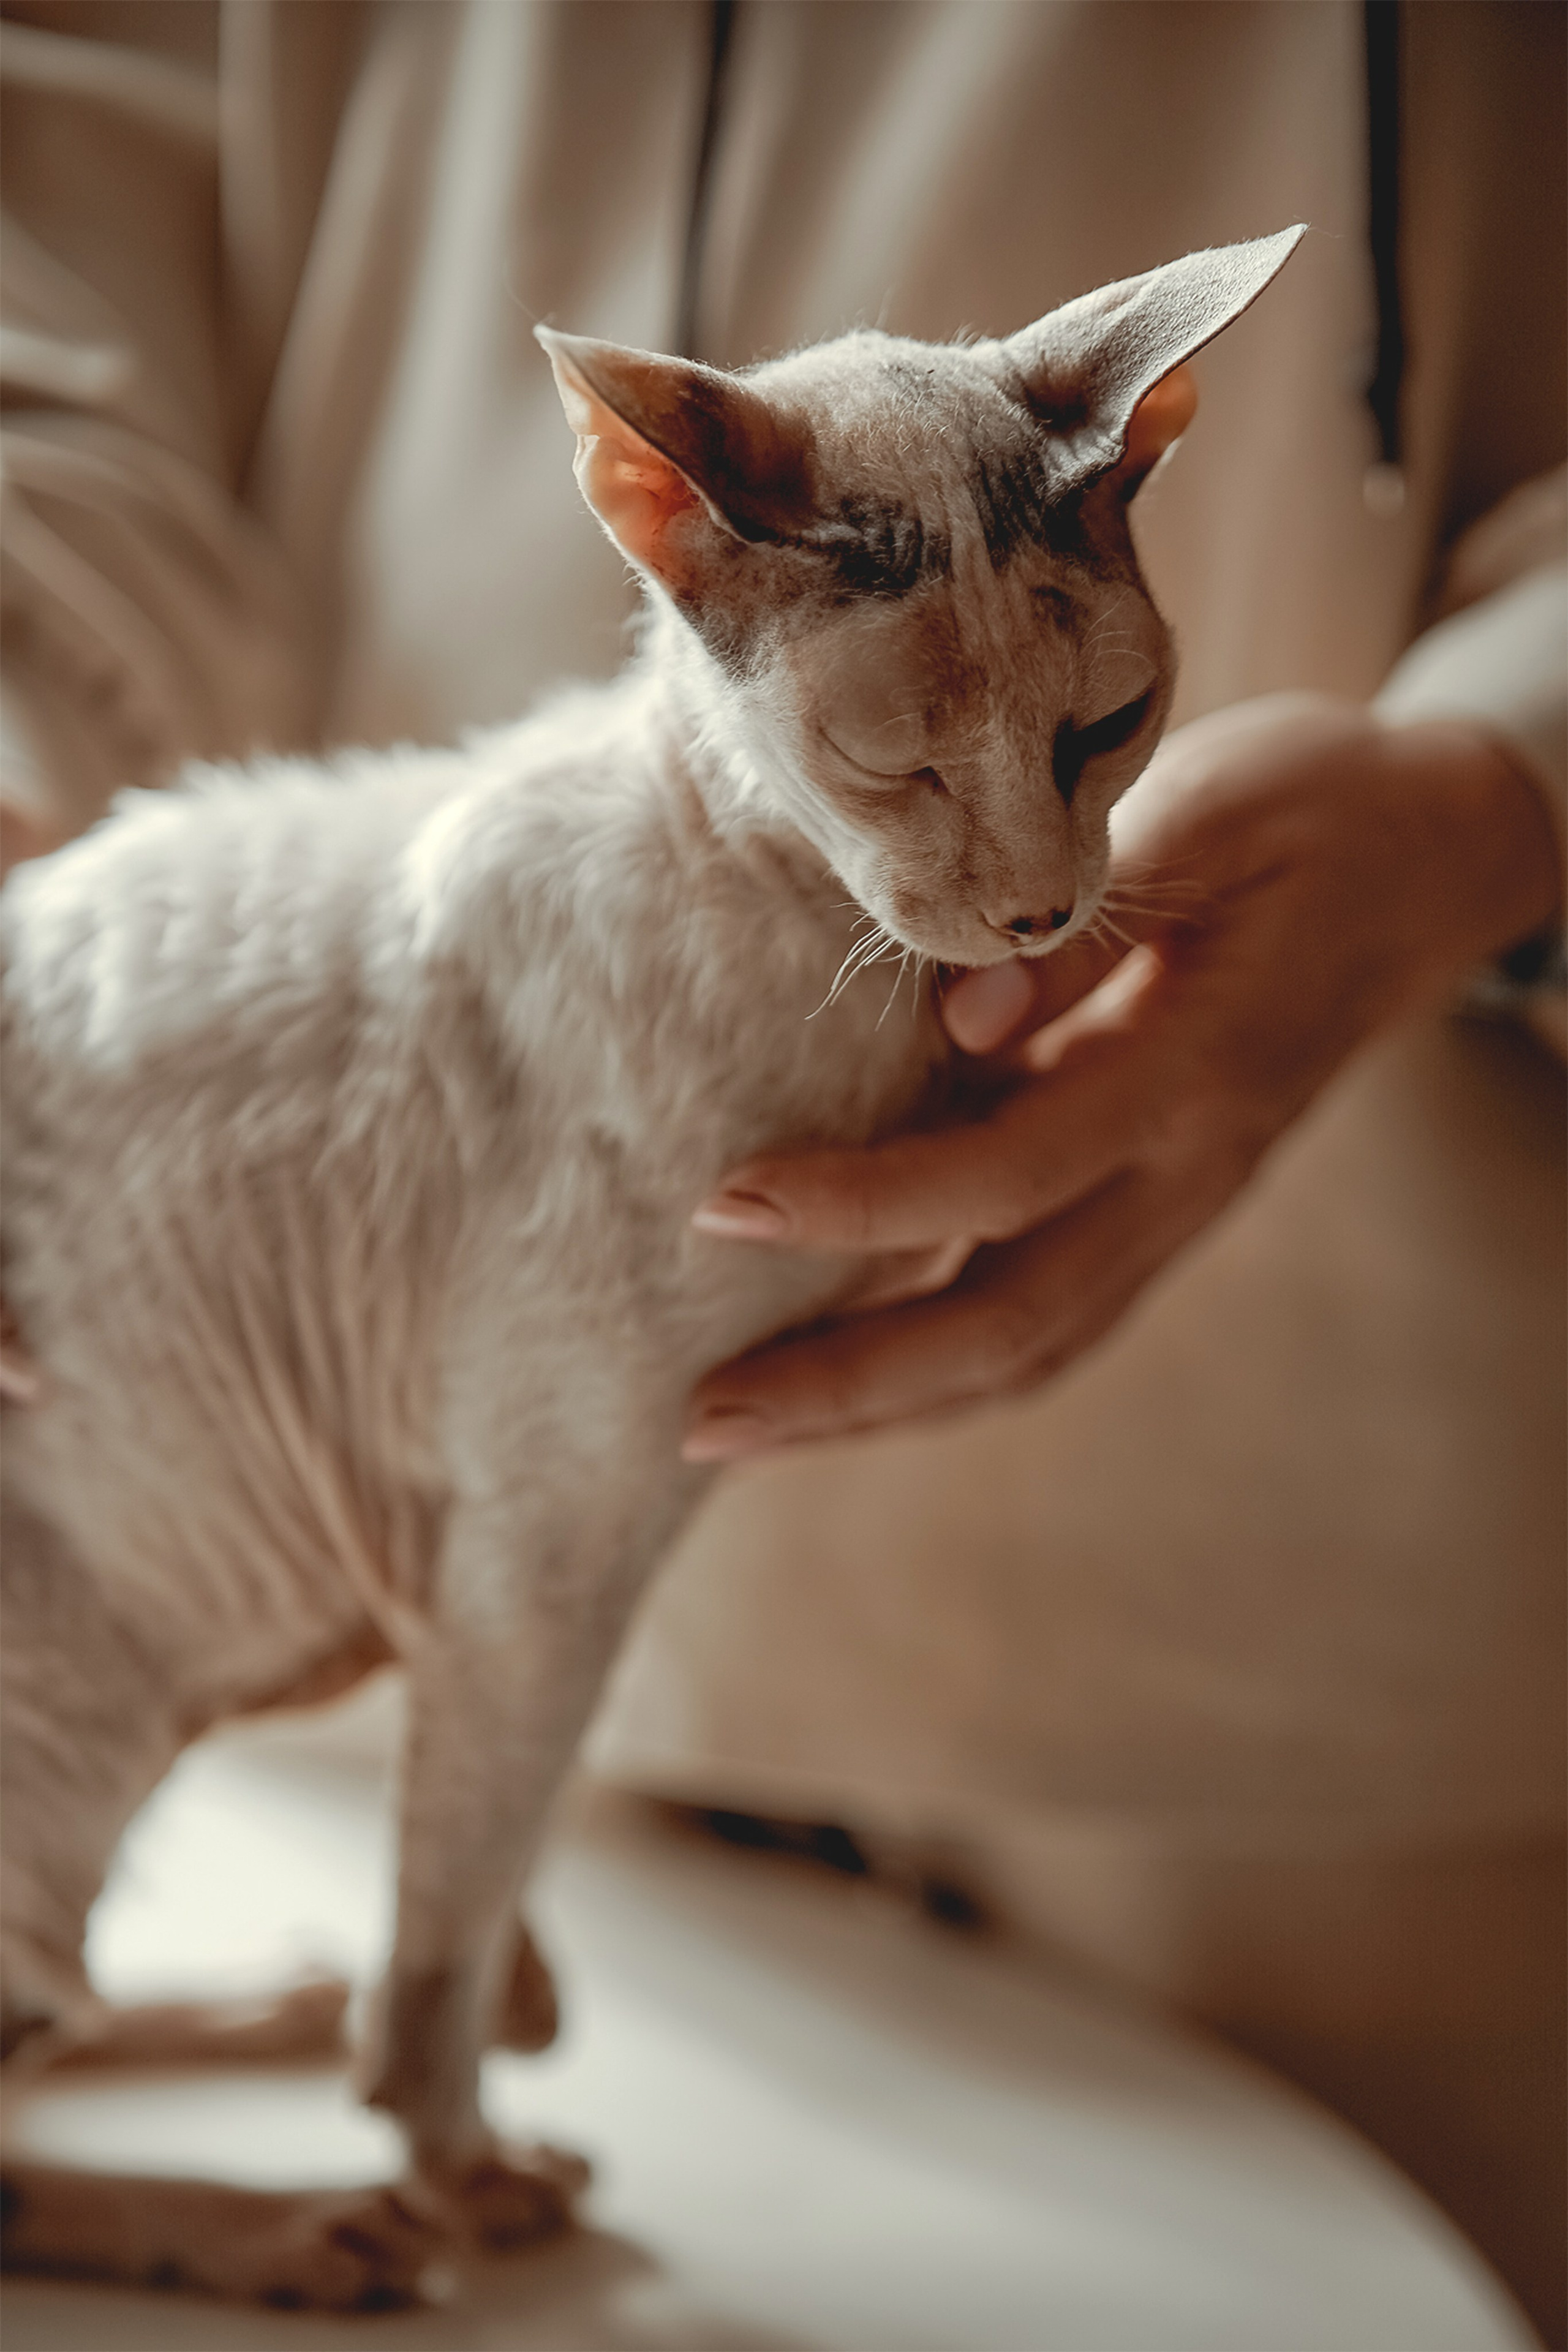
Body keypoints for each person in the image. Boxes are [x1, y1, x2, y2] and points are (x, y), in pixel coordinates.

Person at [2, 1, 1563, 2330]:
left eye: (1101, 726)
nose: (1043, 885)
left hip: (1308, 1651)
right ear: (662, 526)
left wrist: (1509, 785)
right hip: (501, 1700)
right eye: (919, 778)